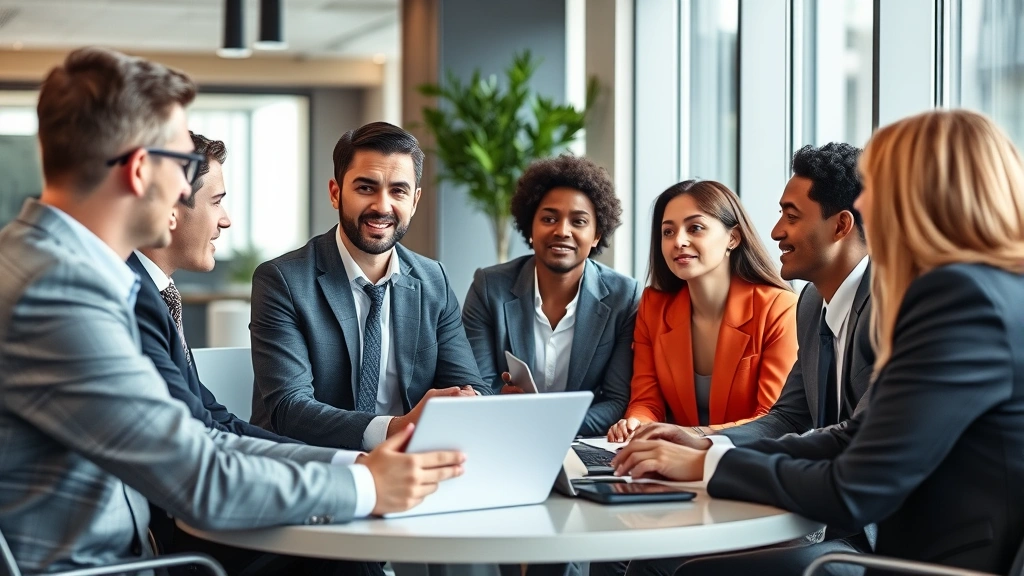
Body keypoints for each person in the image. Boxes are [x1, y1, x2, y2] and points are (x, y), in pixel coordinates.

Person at [0, 47, 463, 574]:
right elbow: (197, 477)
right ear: (139, 171)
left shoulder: (41, 263)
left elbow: (202, 437)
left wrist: (357, 463)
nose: (185, 193)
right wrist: (367, 484)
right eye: (183, 165)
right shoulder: (57, 292)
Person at [612, 109, 1024, 574]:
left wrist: (708, 470)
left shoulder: (960, 301)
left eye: (878, 188)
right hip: (911, 547)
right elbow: (850, 434)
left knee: (689, 568)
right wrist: (708, 450)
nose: (865, 206)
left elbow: (855, 488)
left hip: (931, 565)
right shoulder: (984, 290)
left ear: (929, 195)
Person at [622, 142, 875, 576]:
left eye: (791, 216)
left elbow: (857, 441)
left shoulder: (890, 309)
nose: (775, 231)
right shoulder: (812, 303)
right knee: (643, 561)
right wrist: (702, 441)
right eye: (667, 230)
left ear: (841, 226)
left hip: (877, 533)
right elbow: (786, 417)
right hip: (829, 516)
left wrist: (709, 461)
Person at [250, 121, 491, 451]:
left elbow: (469, 386)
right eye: (366, 188)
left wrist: (468, 401)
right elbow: (290, 411)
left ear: (415, 200)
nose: (382, 206)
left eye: (398, 191)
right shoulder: (283, 281)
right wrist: (395, 428)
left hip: (410, 467)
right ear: (336, 193)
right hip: (309, 469)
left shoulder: (434, 280)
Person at [462, 154, 641, 436]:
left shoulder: (624, 297)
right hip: (505, 437)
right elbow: (477, 386)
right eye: (549, 218)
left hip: (579, 444)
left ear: (597, 235)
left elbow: (616, 401)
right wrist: (500, 402)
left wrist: (545, 424)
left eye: (579, 221)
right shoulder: (489, 288)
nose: (562, 231)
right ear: (530, 227)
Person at [129, 131, 290, 443]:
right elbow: (201, 433)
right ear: (170, 210)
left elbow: (216, 419)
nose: (225, 220)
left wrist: (345, 463)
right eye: (216, 202)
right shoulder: (134, 300)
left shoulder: (157, 294)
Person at [607, 180, 797, 442]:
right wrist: (635, 424)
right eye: (668, 232)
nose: (679, 241)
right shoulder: (653, 306)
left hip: (749, 463)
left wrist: (694, 435)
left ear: (733, 237)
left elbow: (772, 418)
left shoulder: (778, 308)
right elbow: (647, 401)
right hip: (676, 461)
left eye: (695, 228)